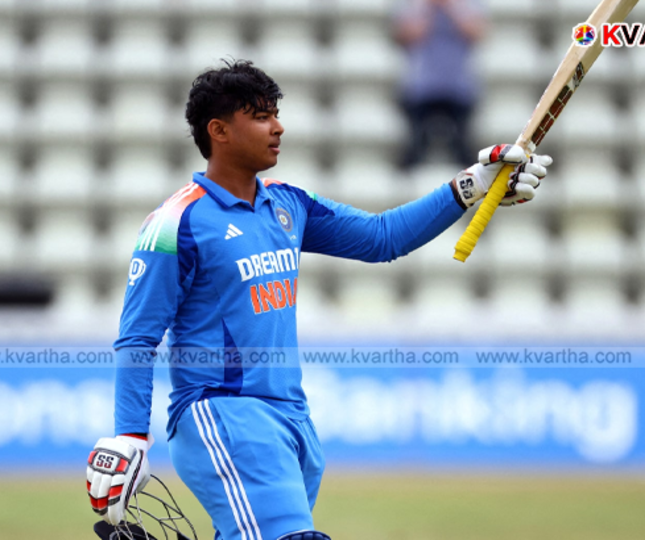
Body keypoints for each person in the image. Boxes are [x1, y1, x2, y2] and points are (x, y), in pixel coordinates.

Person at [85, 60, 551, 540]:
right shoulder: (175, 223)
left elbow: (381, 238)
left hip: (291, 421)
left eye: (275, 113)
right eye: (261, 115)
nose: (278, 126)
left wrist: (472, 183)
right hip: (222, 415)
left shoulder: (288, 203)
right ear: (219, 130)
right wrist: (131, 434)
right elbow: (138, 335)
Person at [393, 0, 486, 170]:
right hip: (421, 86)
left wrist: (451, 6)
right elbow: (407, 35)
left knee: (463, 149)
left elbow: (476, 32)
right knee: (415, 148)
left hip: (459, 85)